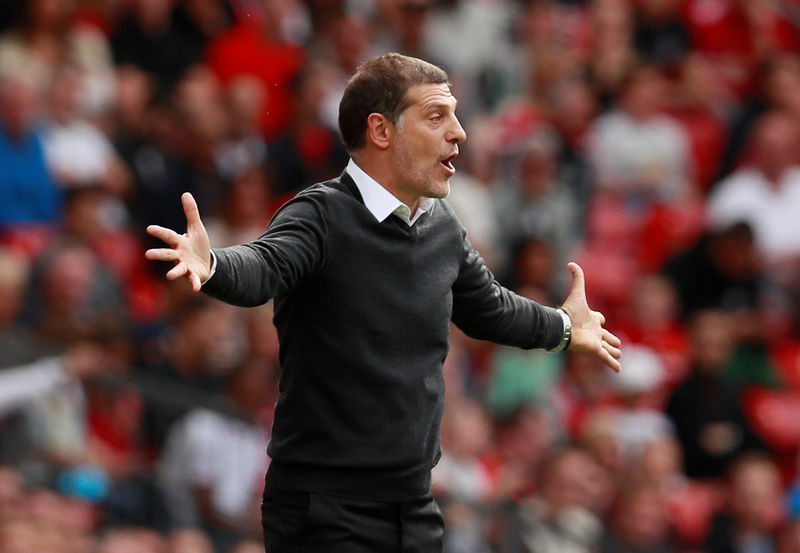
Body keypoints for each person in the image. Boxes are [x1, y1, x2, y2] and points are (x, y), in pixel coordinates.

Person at [145, 53, 621, 553]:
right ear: (380, 130)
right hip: (326, 508)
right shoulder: (321, 214)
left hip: (414, 505)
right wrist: (215, 265)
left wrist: (565, 326)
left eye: (456, 115)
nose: (458, 133)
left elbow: (494, 309)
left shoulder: (442, 227)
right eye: (436, 116)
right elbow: (264, 266)